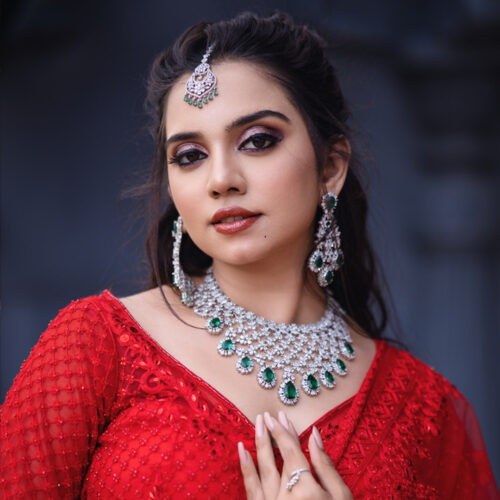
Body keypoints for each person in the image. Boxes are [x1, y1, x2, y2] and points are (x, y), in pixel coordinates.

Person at [0, 11, 498, 500]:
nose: (221, 180)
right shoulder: (97, 345)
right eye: (190, 155)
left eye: (257, 141)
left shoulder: (424, 410)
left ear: (331, 167)